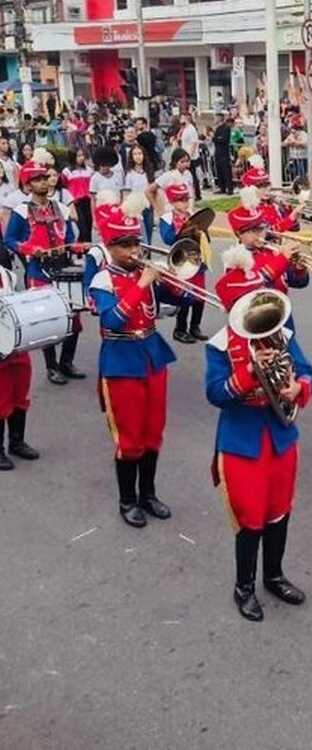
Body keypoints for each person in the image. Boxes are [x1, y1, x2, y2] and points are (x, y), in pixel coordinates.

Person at [205, 250, 312, 621]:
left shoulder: (280, 332)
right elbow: (215, 394)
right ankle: (244, 586)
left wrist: (298, 387)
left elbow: (307, 371)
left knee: (279, 511)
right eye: (245, 302)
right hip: (241, 441)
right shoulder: (219, 345)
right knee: (250, 517)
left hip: (281, 434)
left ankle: (274, 575)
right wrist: (250, 374)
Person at [89, 197, 183, 528]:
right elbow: (112, 320)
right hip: (120, 361)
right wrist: (142, 284)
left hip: (152, 355)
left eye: (135, 242)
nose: (133, 250)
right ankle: (127, 499)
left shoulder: (144, 272)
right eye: (125, 245)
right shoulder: (102, 279)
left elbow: (180, 299)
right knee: (129, 437)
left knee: (154, 431)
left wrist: (172, 279)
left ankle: (148, 494)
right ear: (109, 246)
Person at [5, 160, 86, 385]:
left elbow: (69, 236)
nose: (44, 182)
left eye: (45, 178)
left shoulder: (60, 206)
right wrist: (30, 249)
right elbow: (9, 239)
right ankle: (52, 366)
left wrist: (75, 246)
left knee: (74, 319)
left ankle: (67, 361)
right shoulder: (21, 210)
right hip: (38, 271)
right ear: (28, 184)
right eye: (38, 179)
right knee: (49, 320)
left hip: (63, 268)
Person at [158, 177, 208, 344]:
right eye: (181, 200)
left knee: (200, 296)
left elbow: (205, 235)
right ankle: (180, 329)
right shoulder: (167, 218)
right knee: (185, 295)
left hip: (195, 258)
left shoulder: (193, 215)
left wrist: (200, 232)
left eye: (187, 199)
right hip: (180, 261)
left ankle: (195, 326)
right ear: (172, 201)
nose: (185, 202)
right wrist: (184, 230)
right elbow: (167, 238)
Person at [0, 264, 38, 470]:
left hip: (15, 345)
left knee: (20, 394)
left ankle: (17, 442)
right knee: (0, 399)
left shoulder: (7, 275)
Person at [122, 144, 157, 244]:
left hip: (148, 206)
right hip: (136, 208)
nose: (138, 156)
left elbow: (153, 190)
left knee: (149, 232)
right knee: (141, 235)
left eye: (140, 153)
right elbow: (127, 193)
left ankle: (148, 254)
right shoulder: (130, 174)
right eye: (135, 154)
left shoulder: (149, 172)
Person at [61, 149, 93, 242]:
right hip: (75, 202)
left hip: (88, 201)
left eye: (82, 155)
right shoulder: (67, 172)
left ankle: (86, 248)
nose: (81, 158)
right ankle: (82, 246)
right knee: (82, 228)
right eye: (78, 156)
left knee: (88, 226)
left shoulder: (88, 170)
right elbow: (64, 185)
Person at [179, 111, 202, 201]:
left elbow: (193, 144)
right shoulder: (185, 129)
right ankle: (190, 192)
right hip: (185, 155)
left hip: (191, 157)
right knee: (188, 176)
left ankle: (196, 194)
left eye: (182, 118)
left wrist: (188, 157)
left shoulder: (191, 129)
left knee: (192, 176)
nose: (180, 120)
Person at [212, 112, 234, 195]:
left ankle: (229, 188)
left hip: (224, 152)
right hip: (218, 152)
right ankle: (222, 187)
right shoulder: (217, 128)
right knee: (219, 170)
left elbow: (223, 140)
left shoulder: (226, 128)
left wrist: (216, 139)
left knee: (226, 171)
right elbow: (214, 139)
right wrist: (216, 139)